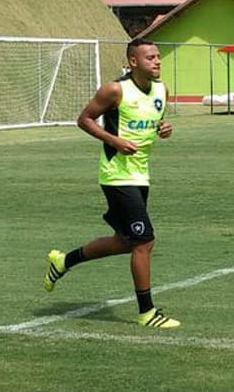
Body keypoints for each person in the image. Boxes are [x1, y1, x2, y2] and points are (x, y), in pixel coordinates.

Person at [43, 38, 180, 329]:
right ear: (133, 62)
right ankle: (147, 312)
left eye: (158, 57)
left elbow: (154, 121)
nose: (156, 61)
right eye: (149, 57)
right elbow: (85, 119)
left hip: (141, 174)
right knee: (144, 241)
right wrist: (113, 140)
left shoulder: (161, 90)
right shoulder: (114, 90)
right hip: (117, 175)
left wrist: (163, 129)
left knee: (125, 241)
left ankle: (63, 261)